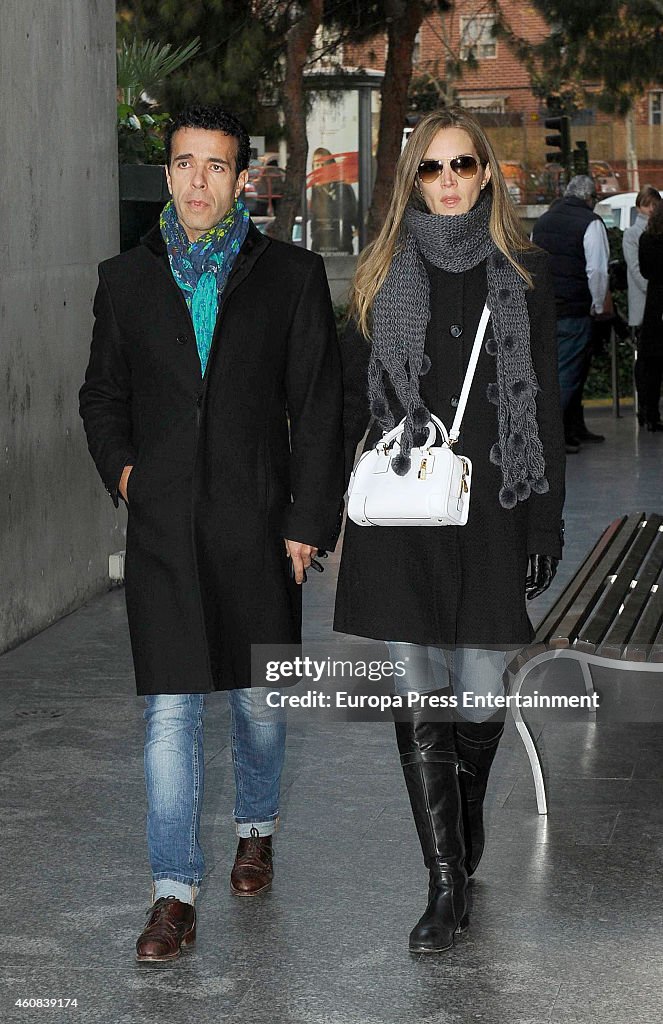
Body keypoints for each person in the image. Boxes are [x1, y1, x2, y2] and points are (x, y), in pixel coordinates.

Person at [79, 105, 344, 961]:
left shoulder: (292, 277)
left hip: (261, 529)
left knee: (260, 706)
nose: (199, 181)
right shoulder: (123, 280)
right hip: (162, 532)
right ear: (167, 175)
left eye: (216, 166)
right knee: (169, 714)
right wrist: (127, 476)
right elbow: (101, 397)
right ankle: (172, 895)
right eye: (184, 164)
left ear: (241, 181)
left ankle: (256, 826)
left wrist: (307, 520)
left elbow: (319, 405)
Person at [334, 109, 565, 954]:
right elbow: (345, 405)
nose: (448, 181)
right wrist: (313, 511)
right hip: (402, 515)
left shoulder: (523, 276)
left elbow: (538, 399)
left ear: (486, 174)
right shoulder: (378, 274)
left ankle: (461, 820)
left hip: (494, 508)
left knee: (474, 692)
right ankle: (443, 883)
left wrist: (544, 520)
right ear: (412, 182)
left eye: (462, 164)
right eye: (431, 169)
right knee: (416, 694)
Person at [532, 175, 612, 453]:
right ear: (590, 198)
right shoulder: (590, 222)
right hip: (575, 309)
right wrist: (599, 306)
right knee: (568, 374)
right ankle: (551, 436)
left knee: (554, 371)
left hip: (545, 311)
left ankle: (573, 429)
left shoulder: (543, 222)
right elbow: (598, 270)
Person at [623, 185, 662, 428]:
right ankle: (646, 408)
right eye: (648, 204)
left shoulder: (649, 234)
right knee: (645, 359)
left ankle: (647, 409)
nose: (652, 209)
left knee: (649, 358)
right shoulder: (633, 234)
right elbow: (637, 270)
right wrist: (655, 289)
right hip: (644, 302)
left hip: (652, 302)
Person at [638, 199, 663, 431]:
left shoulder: (646, 239)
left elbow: (644, 271)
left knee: (652, 364)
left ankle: (651, 414)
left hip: (655, 304)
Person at [310, 147, 358, 254]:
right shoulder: (312, 190)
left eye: (324, 164)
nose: (320, 168)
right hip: (319, 246)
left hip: (342, 246)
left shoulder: (343, 187)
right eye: (317, 165)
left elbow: (352, 211)